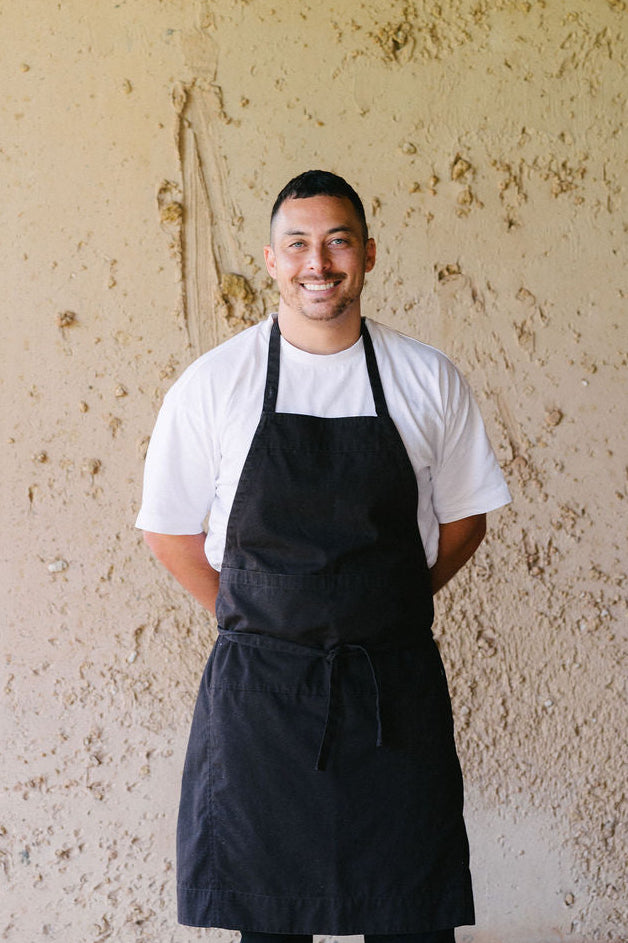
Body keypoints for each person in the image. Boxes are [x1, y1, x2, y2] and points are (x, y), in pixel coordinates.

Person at [136, 170, 511, 943]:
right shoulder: (213, 386)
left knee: (411, 923)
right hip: (263, 707)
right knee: (270, 929)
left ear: (368, 255)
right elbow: (168, 532)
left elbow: (468, 518)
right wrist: (254, 617)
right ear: (271, 261)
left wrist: (397, 599)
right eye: (298, 244)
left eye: (338, 241)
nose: (319, 262)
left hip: (391, 698)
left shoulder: (425, 378)